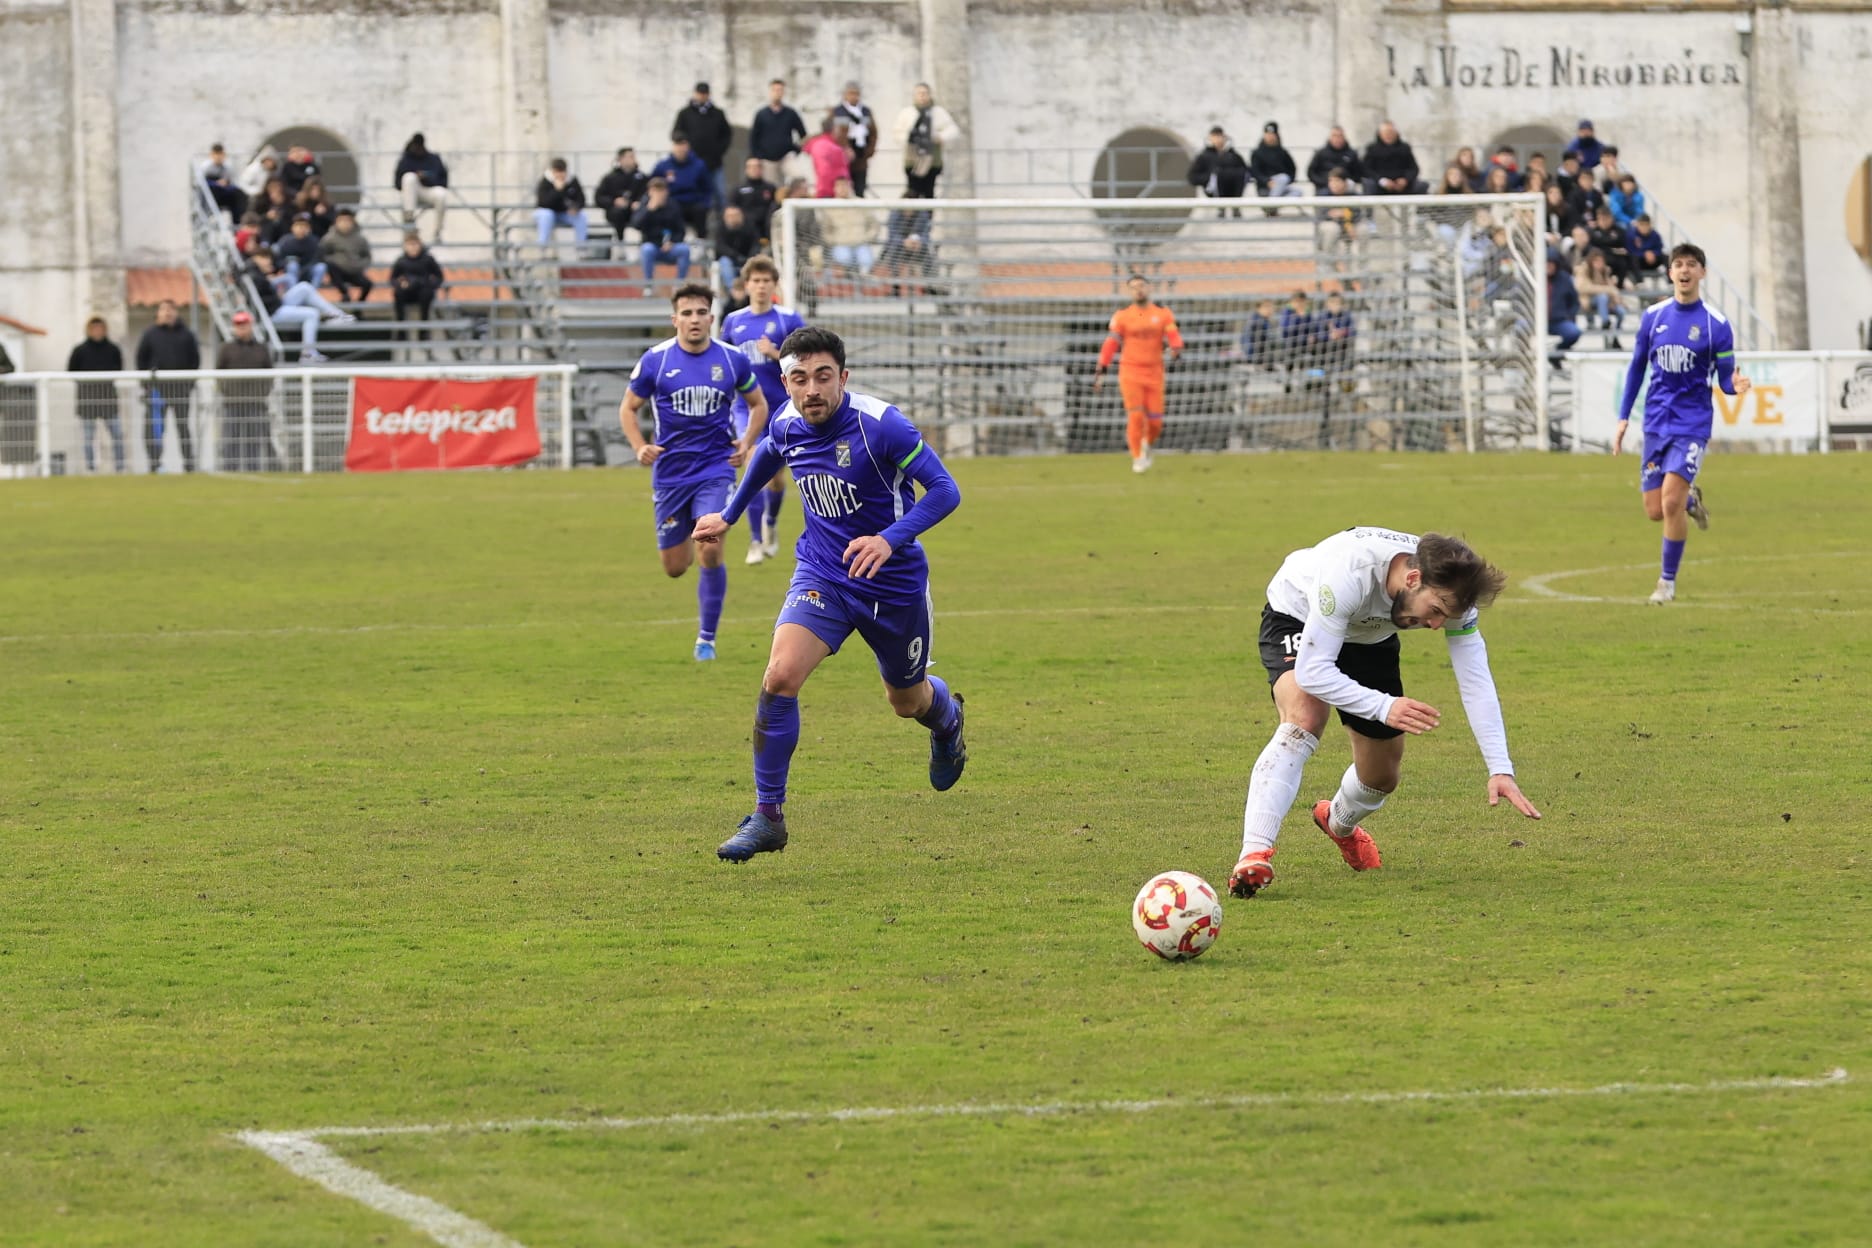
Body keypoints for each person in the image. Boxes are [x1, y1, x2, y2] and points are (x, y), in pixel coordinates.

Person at [689, 326, 966, 862]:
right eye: (798, 379)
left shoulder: (881, 426)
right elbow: (768, 452)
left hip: (893, 583)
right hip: (822, 575)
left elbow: (946, 490)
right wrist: (729, 513)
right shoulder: (788, 422)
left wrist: (890, 539)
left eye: (821, 377)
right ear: (785, 382)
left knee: (906, 702)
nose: (811, 389)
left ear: (843, 376)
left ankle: (947, 719)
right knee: (779, 677)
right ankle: (768, 816)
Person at [1227, 527, 1541, 899]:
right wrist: (1383, 706)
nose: (1437, 624)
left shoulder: (1452, 592)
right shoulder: (1348, 571)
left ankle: (1338, 822)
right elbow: (1313, 671)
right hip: (1300, 615)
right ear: (1413, 578)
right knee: (1304, 719)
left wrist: (1499, 767)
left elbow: (1475, 679)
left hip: (1371, 638)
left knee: (1380, 776)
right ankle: (1254, 854)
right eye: (1435, 611)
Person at [618, 284, 769, 662]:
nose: (694, 320)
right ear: (675, 320)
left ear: (711, 318)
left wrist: (746, 442)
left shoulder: (732, 360)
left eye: (701, 312)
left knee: (710, 549)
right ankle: (687, 528)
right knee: (674, 568)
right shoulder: (655, 360)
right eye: (686, 314)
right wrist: (639, 446)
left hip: (716, 468)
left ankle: (707, 639)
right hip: (670, 474)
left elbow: (758, 404)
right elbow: (627, 408)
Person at [1612, 243, 1752, 605]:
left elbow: (1723, 379)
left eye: (1692, 264)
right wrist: (1624, 417)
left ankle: (1666, 583)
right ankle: (1691, 499)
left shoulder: (1716, 325)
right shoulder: (1653, 317)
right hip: (1656, 422)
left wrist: (1733, 387)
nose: (1685, 270)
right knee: (1655, 510)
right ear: (1670, 272)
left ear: (1702, 273)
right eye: (1678, 264)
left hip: (1692, 423)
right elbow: (1637, 368)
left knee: (1669, 503)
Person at [720, 256, 806, 564]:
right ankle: (755, 540)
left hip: (783, 409)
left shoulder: (788, 320)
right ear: (746, 285)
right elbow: (723, 361)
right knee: (753, 464)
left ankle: (770, 524)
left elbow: (806, 364)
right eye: (755, 281)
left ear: (774, 285)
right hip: (746, 409)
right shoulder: (733, 321)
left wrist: (777, 354)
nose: (760, 286)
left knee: (777, 479)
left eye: (766, 281)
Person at [1093, 274, 1183, 473]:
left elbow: (1173, 335)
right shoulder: (1122, 316)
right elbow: (1111, 343)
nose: (1138, 290)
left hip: (1155, 372)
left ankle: (1146, 444)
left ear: (1149, 288)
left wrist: (1176, 347)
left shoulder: (1163, 314)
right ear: (1129, 291)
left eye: (1141, 286)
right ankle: (1137, 457)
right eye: (1133, 287)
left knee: (1156, 421)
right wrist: (1102, 366)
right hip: (1130, 372)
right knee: (1135, 416)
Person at [246, 250, 353, 363]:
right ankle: (308, 354)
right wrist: (273, 289)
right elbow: (262, 301)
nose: (268, 262)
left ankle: (337, 315)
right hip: (270, 313)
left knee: (304, 287)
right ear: (256, 258)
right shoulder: (254, 276)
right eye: (264, 258)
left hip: (276, 304)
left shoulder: (256, 272)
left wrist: (274, 289)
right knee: (312, 314)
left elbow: (270, 286)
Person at [135, 299, 200, 472]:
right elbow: (141, 360)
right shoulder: (150, 334)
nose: (167, 313)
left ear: (176, 312)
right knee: (155, 428)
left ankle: (189, 464)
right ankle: (155, 464)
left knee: (183, 428)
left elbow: (195, 361)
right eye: (163, 310)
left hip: (181, 390)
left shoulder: (187, 335)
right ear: (158, 313)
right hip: (157, 391)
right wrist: (147, 386)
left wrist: (189, 385)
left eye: (170, 310)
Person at [214, 311, 275, 473]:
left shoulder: (261, 349)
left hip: (255, 403)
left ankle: (253, 470)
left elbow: (269, 374)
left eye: (245, 325)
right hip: (232, 403)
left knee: (253, 441)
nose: (242, 329)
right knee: (230, 441)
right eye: (238, 326)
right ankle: (229, 470)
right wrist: (227, 392)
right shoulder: (226, 349)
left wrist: (262, 393)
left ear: (251, 326)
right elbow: (218, 373)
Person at [67, 316, 126, 473]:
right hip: (87, 399)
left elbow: (118, 369)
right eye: (94, 328)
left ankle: (120, 467)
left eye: (100, 327)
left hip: (108, 398)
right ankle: (90, 467)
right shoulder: (79, 351)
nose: (97, 331)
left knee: (118, 434)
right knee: (88, 437)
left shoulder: (113, 349)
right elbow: (71, 372)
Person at [894, 83, 961, 198]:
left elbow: (953, 130)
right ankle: (914, 216)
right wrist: (913, 138)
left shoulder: (938, 112)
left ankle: (926, 216)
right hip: (913, 160)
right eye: (919, 94)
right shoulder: (907, 113)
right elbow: (897, 133)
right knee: (913, 192)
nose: (922, 96)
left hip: (932, 160)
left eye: (925, 93)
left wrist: (939, 137)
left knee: (929, 192)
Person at [674, 81, 734, 209]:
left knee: (721, 195)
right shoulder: (685, 113)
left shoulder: (718, 113)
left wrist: (719, 151)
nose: (702, 96)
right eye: (699, 93)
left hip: (714, 163)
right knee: (696, 196)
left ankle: (723, 227)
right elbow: (676, 133)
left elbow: (727, 135)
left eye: (704, 94)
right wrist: (686, 151)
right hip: (691, 164)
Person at [631, 178, 691, 294]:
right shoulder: (644, 205)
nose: (658, 194)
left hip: (670, 246)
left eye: (660, 190)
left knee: (684, 250)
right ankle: (649, 285)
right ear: (649, 192)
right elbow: (636, 224)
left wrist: (673, 241)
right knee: (646, 250)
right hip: (653, 245)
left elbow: (681, 230)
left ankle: (679, 285)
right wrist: (649, 210)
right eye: (654, 190)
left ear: (666, 191)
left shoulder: (673, 205)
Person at [652, 133, 714, 238]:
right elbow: (654, 184)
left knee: (700, 210)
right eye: (677, 145)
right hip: (671, 202)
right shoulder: (663, 166)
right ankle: (667, 239)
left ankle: (701, 241)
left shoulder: (699, 165)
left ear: (688, 146)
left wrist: (706, 203)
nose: (680, 148)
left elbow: (707, 188)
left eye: (683, 145)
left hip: (693, 202)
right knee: (666, 211)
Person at [395, 133, 451, 242]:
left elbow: (443, 182)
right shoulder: (406, 160)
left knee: (441, 194)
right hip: (411, 194)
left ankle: (437, 231)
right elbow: (397, 183)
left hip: (429, 190)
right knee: (409, 177)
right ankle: (410, 218)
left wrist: (426, 177)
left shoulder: (433, 159)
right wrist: (415, 177)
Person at [750, 79, 808, 185]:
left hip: (787, 156)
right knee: (772, 188)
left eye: (780, 90)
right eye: (775, 90)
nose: (777, 92)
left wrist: (797, 150)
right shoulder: (761, 114)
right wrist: (756, 156)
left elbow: (803, 134)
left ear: (783, 92)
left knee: (799, 179)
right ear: (770, 92)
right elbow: (754, 137)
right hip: (768, 159)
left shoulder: (790, 113)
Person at [819, 178, 879, 274]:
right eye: (839, 185)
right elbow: (825, 230)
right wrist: (834, 240)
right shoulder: (829, 207)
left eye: (845, 185)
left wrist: (868, 237)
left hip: (861, 244)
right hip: (840, 245)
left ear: (850, 186)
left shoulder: (861, 203)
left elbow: (874, 225)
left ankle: (861, 283)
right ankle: (846, 282)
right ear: (834, 188)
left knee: (866, 261)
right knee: (844, 258)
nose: (842, 188)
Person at [1187, 127, 1249, 217]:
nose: (1218, 139)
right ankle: (1221, 207)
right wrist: (1211, 178)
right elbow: (1192, 177)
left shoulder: (1233, 155)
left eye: (1220, 136)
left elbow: (1245, 171)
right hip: (1214, 191)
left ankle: (1236, 206)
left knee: (1239, 172)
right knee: (1219, 175)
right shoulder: (1204, 157)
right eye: (1215, 136)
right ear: (1210, 138)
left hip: (1233, 191)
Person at [390, 232, 444, 333]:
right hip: (408, 291)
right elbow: (393, 279)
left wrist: (430, 285)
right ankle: (401, 329)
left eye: (415, 244)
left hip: (423, 290)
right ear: (405, 246)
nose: (413, 248)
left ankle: (423, 330)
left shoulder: (428, 259)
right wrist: (400, 284)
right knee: (398, 294)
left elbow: (439, 277)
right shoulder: (401, 261)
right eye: (410, 245)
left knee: (426, 294)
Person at [832, 81, 879, 196]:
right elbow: (835, 134)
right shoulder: (838, 111)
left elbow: (873, 132)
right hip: (843, 155)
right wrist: (845, 148)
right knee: (843, 185)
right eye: (851, 93)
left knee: (860, 186)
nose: (854, 97)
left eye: (856, 94)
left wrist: (870, 150)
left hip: (861, 152)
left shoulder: (865, 111)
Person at [596, 147, 650, 242]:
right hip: (616, 212)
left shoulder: (642, 178)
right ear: (620, 159)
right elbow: (599, 197)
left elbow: (647, 193)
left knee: (647, 214)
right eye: (630, 156)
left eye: (633, 156)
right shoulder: (610, 178)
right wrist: (614, 201)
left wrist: (639, 203)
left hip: (635, 211)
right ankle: (620, 241)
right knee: (618, 213)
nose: (633, 159)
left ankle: (646, 242)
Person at [1575, 248, 1625, 349]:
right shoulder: (1583, 270)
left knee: (1621, 311)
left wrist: (1616, 298)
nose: (1599, 264)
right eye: (1596, 261)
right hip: (1589, 300)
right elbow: (1583, 287)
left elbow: (1612, 289)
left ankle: (1615, 337)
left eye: (1601, 261)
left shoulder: (1605, 271)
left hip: (1607, 302)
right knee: (1602, 297)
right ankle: (1605, 321)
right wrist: (1606, 289)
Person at [320, 207, 373, 302]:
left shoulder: (360, 239)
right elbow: (322, 254)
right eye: (342, 221)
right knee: (331, 267)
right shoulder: (330, 238)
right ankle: (345, 293)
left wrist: (360, 265)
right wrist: (334, 260)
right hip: (338, 271)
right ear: (336, 222)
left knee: (368, 284)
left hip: (354, 271)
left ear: (353, 222)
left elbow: (367, 256)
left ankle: (359, 306)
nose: (345, 224)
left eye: (347, 221)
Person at [533, 158, 588, 249]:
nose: (559, 175)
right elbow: (543, 202)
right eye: (556, 172)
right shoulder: (545, 181)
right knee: (546, 215)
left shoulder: (572, 181)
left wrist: (576, 208)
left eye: (561, 172)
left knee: (582, 216)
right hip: (548, 213)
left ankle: (581, 249)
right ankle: (542, 248)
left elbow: (581, 199)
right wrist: (557, 191)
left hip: (565, 213)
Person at [1248, 121, 1304, 205]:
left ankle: (1273, 206)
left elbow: (1292, 169)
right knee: (1283, 178)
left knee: (1297, 192)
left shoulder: (1282, 152)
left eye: (1272, 134)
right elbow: (1255, 172)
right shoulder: (1257, 153)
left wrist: (1287, 182)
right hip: (1265, 187)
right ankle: (1272, 204)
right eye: (1268, 134)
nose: (1270, 137)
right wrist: (1267, 181)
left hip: (1282, 186)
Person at [1363, 121, 1425, 196]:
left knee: (1422, 186)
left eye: (1391, 132)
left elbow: (1414, 168)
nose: (1389, 135)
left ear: (1396, 133)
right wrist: (1382, 181)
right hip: (1380, 184)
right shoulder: (1372, 149)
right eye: (1386, 132)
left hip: (1403, 184)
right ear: (1380, 134)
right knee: (1369, 185)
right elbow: (1367, 169)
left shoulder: (1404, 148)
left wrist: (1405, 180)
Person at [802, 117, 854, 199]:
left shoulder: (816, 144)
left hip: (821, 190)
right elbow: (841, 173)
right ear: (834, 129)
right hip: (833, 193)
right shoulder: (835, 149)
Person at [713, 203, 761, 288]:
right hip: (730, 259)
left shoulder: (750, 227)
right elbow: (720, 247)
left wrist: (751, 257)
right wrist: (735, 256)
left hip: (747, 258)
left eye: (735, 215)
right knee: (725, 262)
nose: (733, 218)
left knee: (756, 262)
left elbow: (756, 244)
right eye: (730, 216)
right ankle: (734, 290)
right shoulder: (720, 228)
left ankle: (750, 289)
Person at [273, 213, 326, 289]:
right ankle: (293, 292)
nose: (301, 229)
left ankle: (313, 292)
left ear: (309, 228)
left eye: (305, 226)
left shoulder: (314, 241)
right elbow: (278, 261)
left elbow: (316, 260)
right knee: (293, 265)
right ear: (292, 227)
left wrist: (302, 270)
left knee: (321, 267)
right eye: (298, 225)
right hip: (291, 272)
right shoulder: (285, 241)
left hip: (307, 270)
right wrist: (288, 262)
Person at [1547, 250, 1581, 364]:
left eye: (1551, 264)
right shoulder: (1533, 277)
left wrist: (1569, 316)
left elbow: (1575, 301)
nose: (1549, 267)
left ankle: (1556, 354)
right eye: (1546, 264)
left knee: (1573, 332)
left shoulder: (1565, 279)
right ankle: (1523, 361)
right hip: (1534, 321)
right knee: (1519, 327)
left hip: (1558, 320)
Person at [1306, 126, 1365, 193]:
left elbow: (1358, 172)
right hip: (1324, 186)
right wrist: (1326, 183)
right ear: (1330, 137)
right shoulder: (1321, 153)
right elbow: (1311, 173)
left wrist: (1344, 182)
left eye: (1340, 136)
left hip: (1346, 187)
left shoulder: (1352, 154)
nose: (1337, 138)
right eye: (1334, 135)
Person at [731, 156, 778, 240]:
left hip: (767, 228)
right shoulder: (738, 189)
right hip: (746, 230)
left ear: (761, 169)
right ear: (746, 170)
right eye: (751, 167)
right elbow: (732, 208)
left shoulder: (770, 188)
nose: (754, 169)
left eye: (757, 166)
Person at [200, 143, 248, 220]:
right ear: (212, 155)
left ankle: (238, 221)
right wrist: (216, 183)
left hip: (223, 192)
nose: (219, 157)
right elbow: (202, 183)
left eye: (221, 154)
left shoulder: (227, 167)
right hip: (210, 194)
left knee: (239, 194)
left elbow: (231, 182)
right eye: (216, 154)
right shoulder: (206, 167)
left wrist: (226, 183)